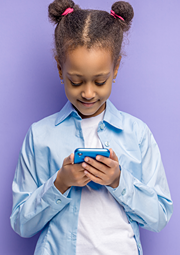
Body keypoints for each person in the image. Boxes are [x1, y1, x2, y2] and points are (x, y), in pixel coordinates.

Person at [10, 1, 173, 254]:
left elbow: (160, 216)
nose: (87, 93)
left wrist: (119, 180)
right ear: (59, 69)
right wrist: (59, 183)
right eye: (76, 81)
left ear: (115, 68)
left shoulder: (137, 134)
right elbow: (21, 224)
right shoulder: (39, 136)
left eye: (100, 81)